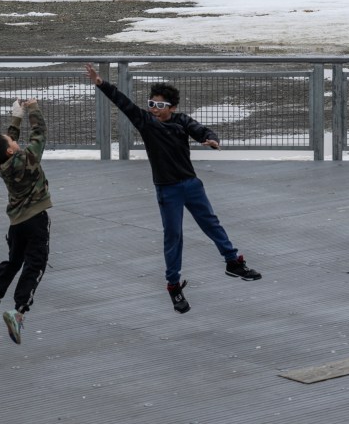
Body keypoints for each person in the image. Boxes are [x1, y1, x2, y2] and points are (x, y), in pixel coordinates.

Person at [84, 63, 261, 314]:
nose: (154, 110)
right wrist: (101, 83)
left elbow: (200, 129)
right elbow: (123, 103)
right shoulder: (146, 122)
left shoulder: (181, 120)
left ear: (172, 108)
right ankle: (174, 286)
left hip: (191, 184)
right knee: (173, 236)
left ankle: (233, 262)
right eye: (151, 104)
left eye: (160, 105)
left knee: (211, 224)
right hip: (168, 190)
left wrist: (211, 139)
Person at [0, 98, 51, 344]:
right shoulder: (28, 159)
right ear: (11, 150)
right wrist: (33, 109)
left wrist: (15, 119)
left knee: (15, 260)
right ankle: (18, 312)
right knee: (35, 264)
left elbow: (5, 144)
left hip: (16, 222)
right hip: (36, 218)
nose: (15, 141)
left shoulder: (1, 165)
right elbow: (40, 135)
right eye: (13, 142)